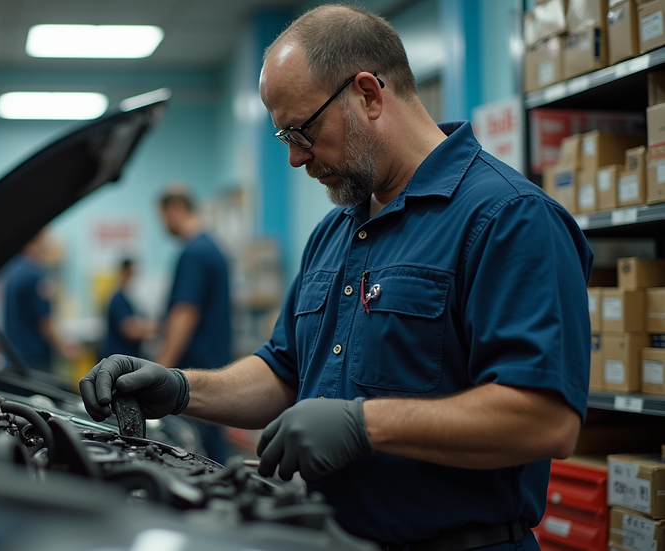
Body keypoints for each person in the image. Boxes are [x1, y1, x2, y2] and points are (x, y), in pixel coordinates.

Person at [80, 5, 592, 551]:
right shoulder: (335, 233)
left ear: (369, 94)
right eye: (284, 138)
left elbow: (544, 419)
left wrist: (365, 425)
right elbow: (283, 371)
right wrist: (182, 387)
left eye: (303, 130)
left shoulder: (508, 219)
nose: (297, 158)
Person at [151, 186, 233, 464]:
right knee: (212, 457)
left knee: (194, 460)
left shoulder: (194, 252)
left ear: (175, 210)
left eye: (161, 217)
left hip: (192, 377)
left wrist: (158, 371)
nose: (162, 226)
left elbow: (184, 313)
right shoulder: (212, 248)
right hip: (212, 371)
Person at [2, 230, 77, 373]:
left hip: (13, 358)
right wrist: (64, 347)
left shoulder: (12, 271)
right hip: (35, 360)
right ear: (38, 240)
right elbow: (44, 322)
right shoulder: (35, 275)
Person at [101, 258, 155, 358]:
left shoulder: (125, 298)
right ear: (126, 272)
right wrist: (153, 328)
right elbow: (130, 331)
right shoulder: (118, 299)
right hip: (120, 360)